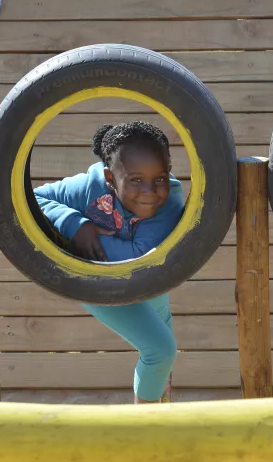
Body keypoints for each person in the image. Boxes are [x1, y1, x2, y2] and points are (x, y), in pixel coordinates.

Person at [34, 121, 184, 403]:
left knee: (164, 365)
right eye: (136, 180)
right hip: (94, 280)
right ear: (110, 178)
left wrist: (79, 242)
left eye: (160, 179)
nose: (150, 192)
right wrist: (75, 225)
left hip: (149, 276)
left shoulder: (171, 200)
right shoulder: (89, 186)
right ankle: (145, 431)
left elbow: (138, 257)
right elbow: (35, 198)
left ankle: (164, 429)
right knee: (160, 351)